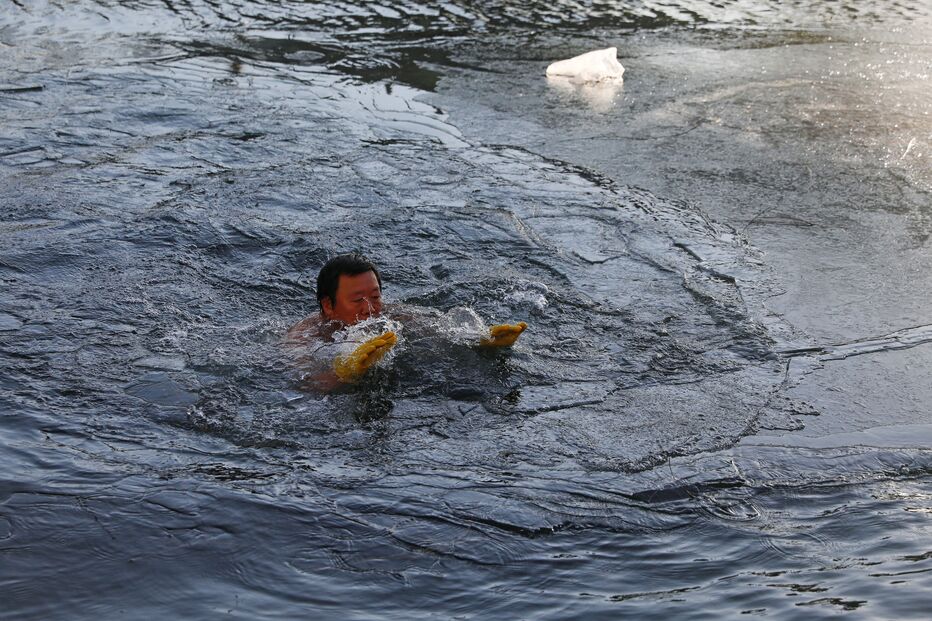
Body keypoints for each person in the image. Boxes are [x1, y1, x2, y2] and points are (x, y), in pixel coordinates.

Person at [286, 253, 527, 390]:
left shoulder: (391, 315)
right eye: (358, 299)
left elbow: (440, 328)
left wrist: (481, 341)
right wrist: (346, 372)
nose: (370, 309)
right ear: (328, 305)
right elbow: (304, 382)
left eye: (375, 297)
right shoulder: (304, 334)